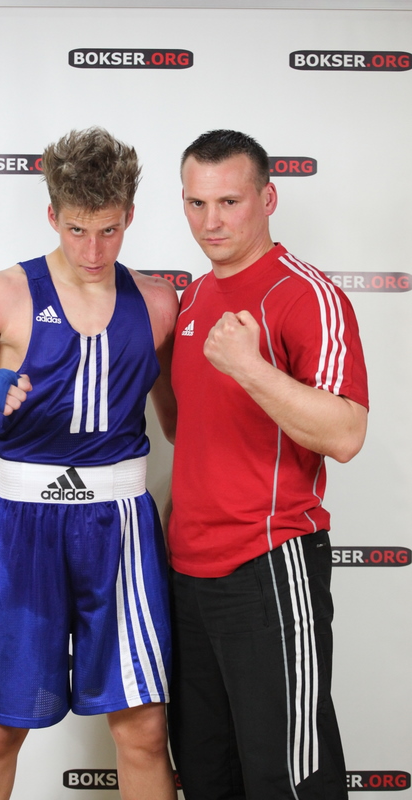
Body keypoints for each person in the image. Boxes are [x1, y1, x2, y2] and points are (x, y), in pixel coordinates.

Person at [0, 127, 179, 800]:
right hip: (26, 530)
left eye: (109, 231)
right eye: (78, 229)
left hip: (121, 528)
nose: (93, 250)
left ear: (130, 215)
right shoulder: (5, 293)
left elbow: (181, 427)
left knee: (144, 732)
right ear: (53, 215)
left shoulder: (158, 302)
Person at [167, 129, 369, 800]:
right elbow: (191, 429)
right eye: (196, 203)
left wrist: (250, 368)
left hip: (269, 563)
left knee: (289, 777)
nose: (211, 221)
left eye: (229, 201)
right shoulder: (194, 297)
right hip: (187, 573)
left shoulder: (305, 294)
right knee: (207, 774)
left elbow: (345, 433)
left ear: (268, 198)